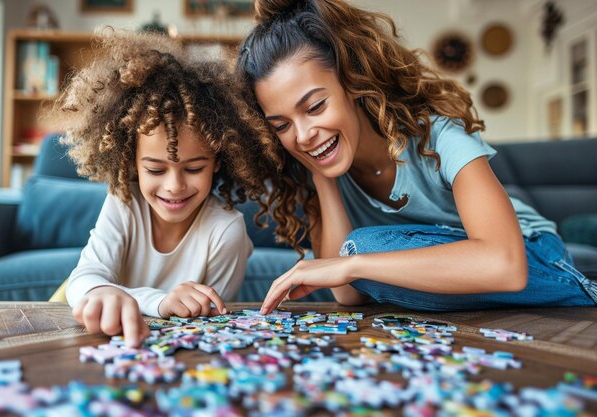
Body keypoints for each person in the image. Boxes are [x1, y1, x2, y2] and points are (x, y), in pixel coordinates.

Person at [235, 0, 597, 314]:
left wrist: (356, 264)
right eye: (281, 125)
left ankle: (574, 288)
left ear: (354, 83)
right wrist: (320, 177)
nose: (301, 135)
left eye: (314, 107)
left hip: (533, 255)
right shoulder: (312, 171)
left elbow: (506, 265)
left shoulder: (439, 137)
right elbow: (347, 294)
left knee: (360, 248)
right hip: (463, 279)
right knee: (358, 255)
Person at [50, 29, 271, 347]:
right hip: (76, 329)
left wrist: (155, 304)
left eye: (194, 168)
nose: (174, 186)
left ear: (218, 161)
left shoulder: (226, 231)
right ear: (131, 162)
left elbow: (212, 324)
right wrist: (157, 301)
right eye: (155, 169)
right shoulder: (125, 201)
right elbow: (82, 281)